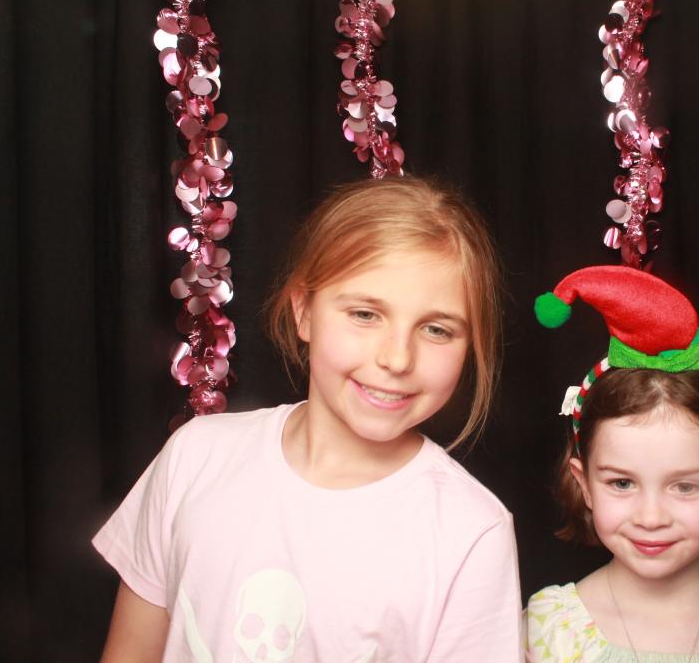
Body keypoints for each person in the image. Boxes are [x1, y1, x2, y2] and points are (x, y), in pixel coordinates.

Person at [94, 177, 521, 662]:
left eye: (437, 329)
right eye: (365, 315)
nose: (397, 358)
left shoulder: (471, 531)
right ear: (304, 313)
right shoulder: (195, 456)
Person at [525, 266, 699, 662]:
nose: (651, 518)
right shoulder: (541, 634)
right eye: (622, 483)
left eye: (684, 486)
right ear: (584, 483)